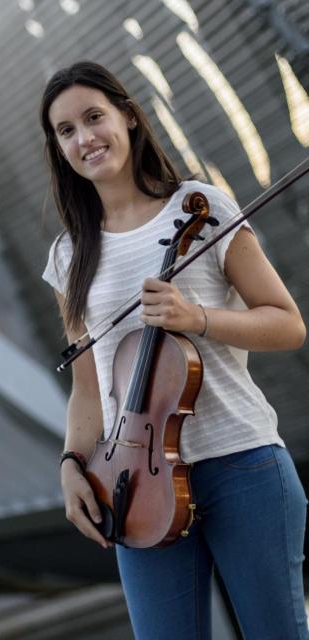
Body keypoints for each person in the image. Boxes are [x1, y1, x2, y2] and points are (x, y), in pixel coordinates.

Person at [39, 61, 308, 639]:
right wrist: (70, 465)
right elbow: (88, 388)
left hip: (241, 464)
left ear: (128, 117)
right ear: (59, 148)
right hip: (134, 485)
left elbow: (288, 325)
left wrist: (200, 318)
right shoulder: (69, 256)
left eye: (94, 117)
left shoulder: (199, 207)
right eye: (66, 130)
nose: (85, 138)